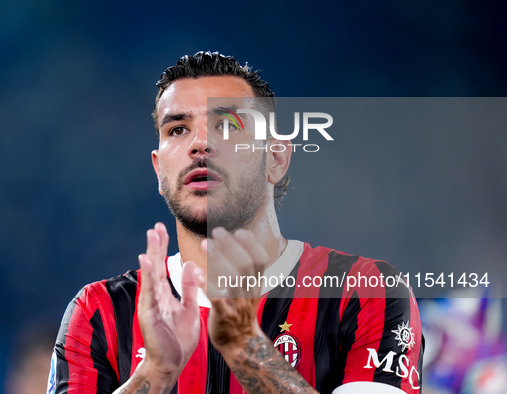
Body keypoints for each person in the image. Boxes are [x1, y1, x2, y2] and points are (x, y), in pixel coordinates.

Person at [47, 51, 424, 394]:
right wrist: (155, 375)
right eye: (177, 129)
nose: (199, 144)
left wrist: (247, 348)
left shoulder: (365, 291)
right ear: (159, 169)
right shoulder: (99, 312)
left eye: (227, 124)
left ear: (276, 158)